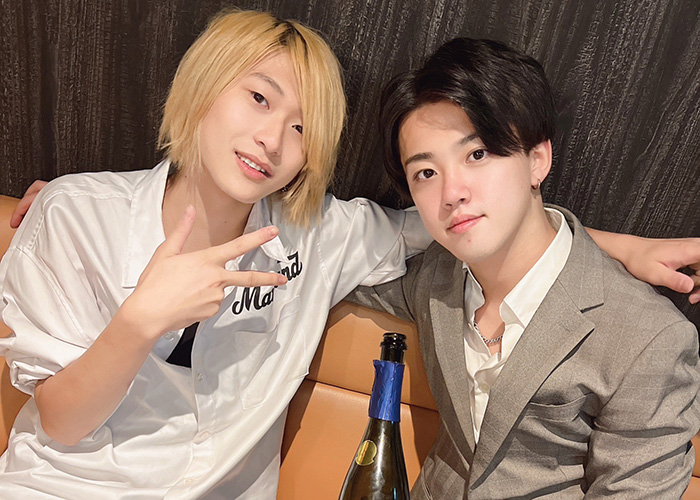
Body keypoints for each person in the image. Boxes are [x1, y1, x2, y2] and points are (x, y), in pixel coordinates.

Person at [2, 10, 699, 500]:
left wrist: (622, 248)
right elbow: (59, 422)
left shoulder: (317, 235)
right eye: (258, 98)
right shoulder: (76, 216)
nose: (272, 138)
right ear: (202, 87)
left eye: (302, 127)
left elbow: (462, 223)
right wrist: (136, 322)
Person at [349, 38, 700, 498]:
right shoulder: (432, 278)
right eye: (426, 173)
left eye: (477, 154)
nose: (451, 193)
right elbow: (324, 260)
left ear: (537, 160)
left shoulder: (648, 340)